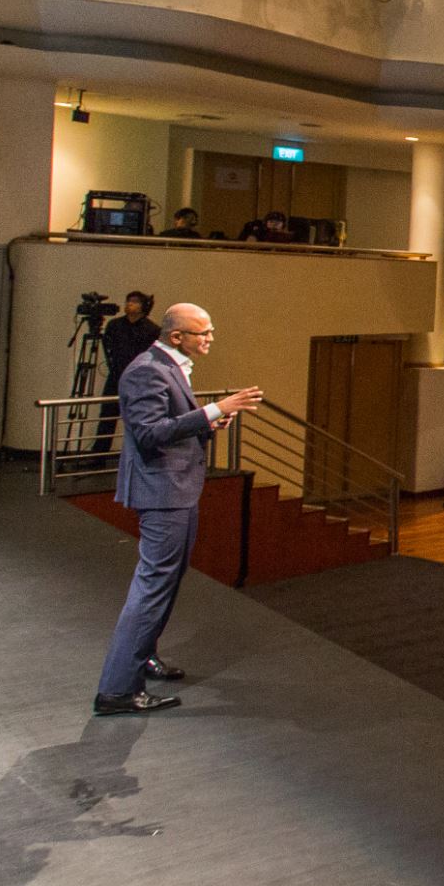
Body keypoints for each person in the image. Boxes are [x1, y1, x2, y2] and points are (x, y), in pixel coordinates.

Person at [93, 303, 262, 714]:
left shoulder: (167, 367)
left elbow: (170, 425)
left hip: (175, 489)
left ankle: (142, 656)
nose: (209, 338)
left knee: (165, 582)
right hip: (161, 492)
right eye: (202, 332)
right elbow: (149, 434)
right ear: (176, 337)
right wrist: (215, 410)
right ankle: (116, 690)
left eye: (210, 330)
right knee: (152, 586)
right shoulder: (146, 370)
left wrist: (206, 423)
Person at [95, 291, 161, 452]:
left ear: (143, 306)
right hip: (116, 376)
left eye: (134, 302)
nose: (129, 304)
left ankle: (138, 455)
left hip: (140, 379)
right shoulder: (115, 325)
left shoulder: (152, 329)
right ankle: (98, 455)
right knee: (107, 416)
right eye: (128, 301)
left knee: (138, 418)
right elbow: (108, 349)